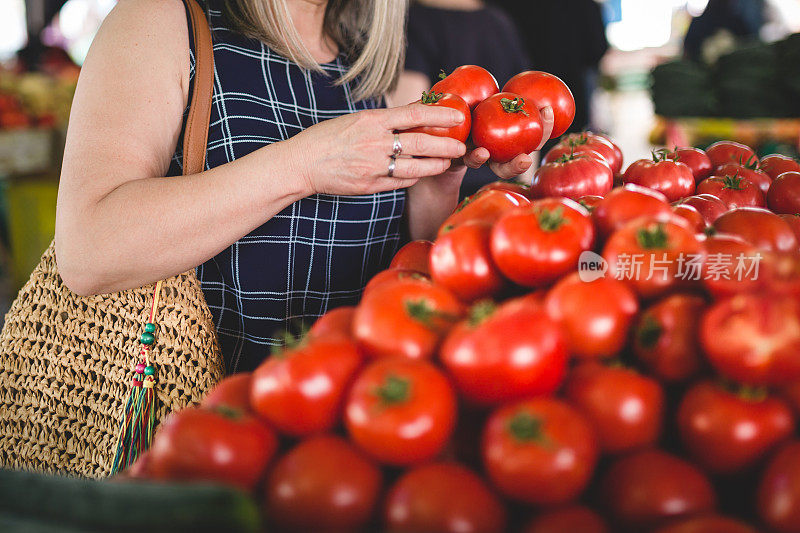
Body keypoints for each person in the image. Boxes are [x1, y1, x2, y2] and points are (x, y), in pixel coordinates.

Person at [54, 0, 554, 373]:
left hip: (349, 420)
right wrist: (306, 163)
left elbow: (402, 265)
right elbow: (89, 250)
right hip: (206, 423)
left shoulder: (368, 61)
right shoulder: (162, 20)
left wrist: (442, 178)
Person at [393, 0, 531, 198]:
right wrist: (526, 190)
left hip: (440, 194)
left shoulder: (414, 21)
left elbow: (409, 121)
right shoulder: (499, 21)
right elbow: (526, 112)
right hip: (505, 191)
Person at [492, 0, 608, 134]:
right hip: (569, 99)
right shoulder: (582, 4)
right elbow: (597, 50)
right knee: (571, 148)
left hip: (516, 107)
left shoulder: (502, 7)